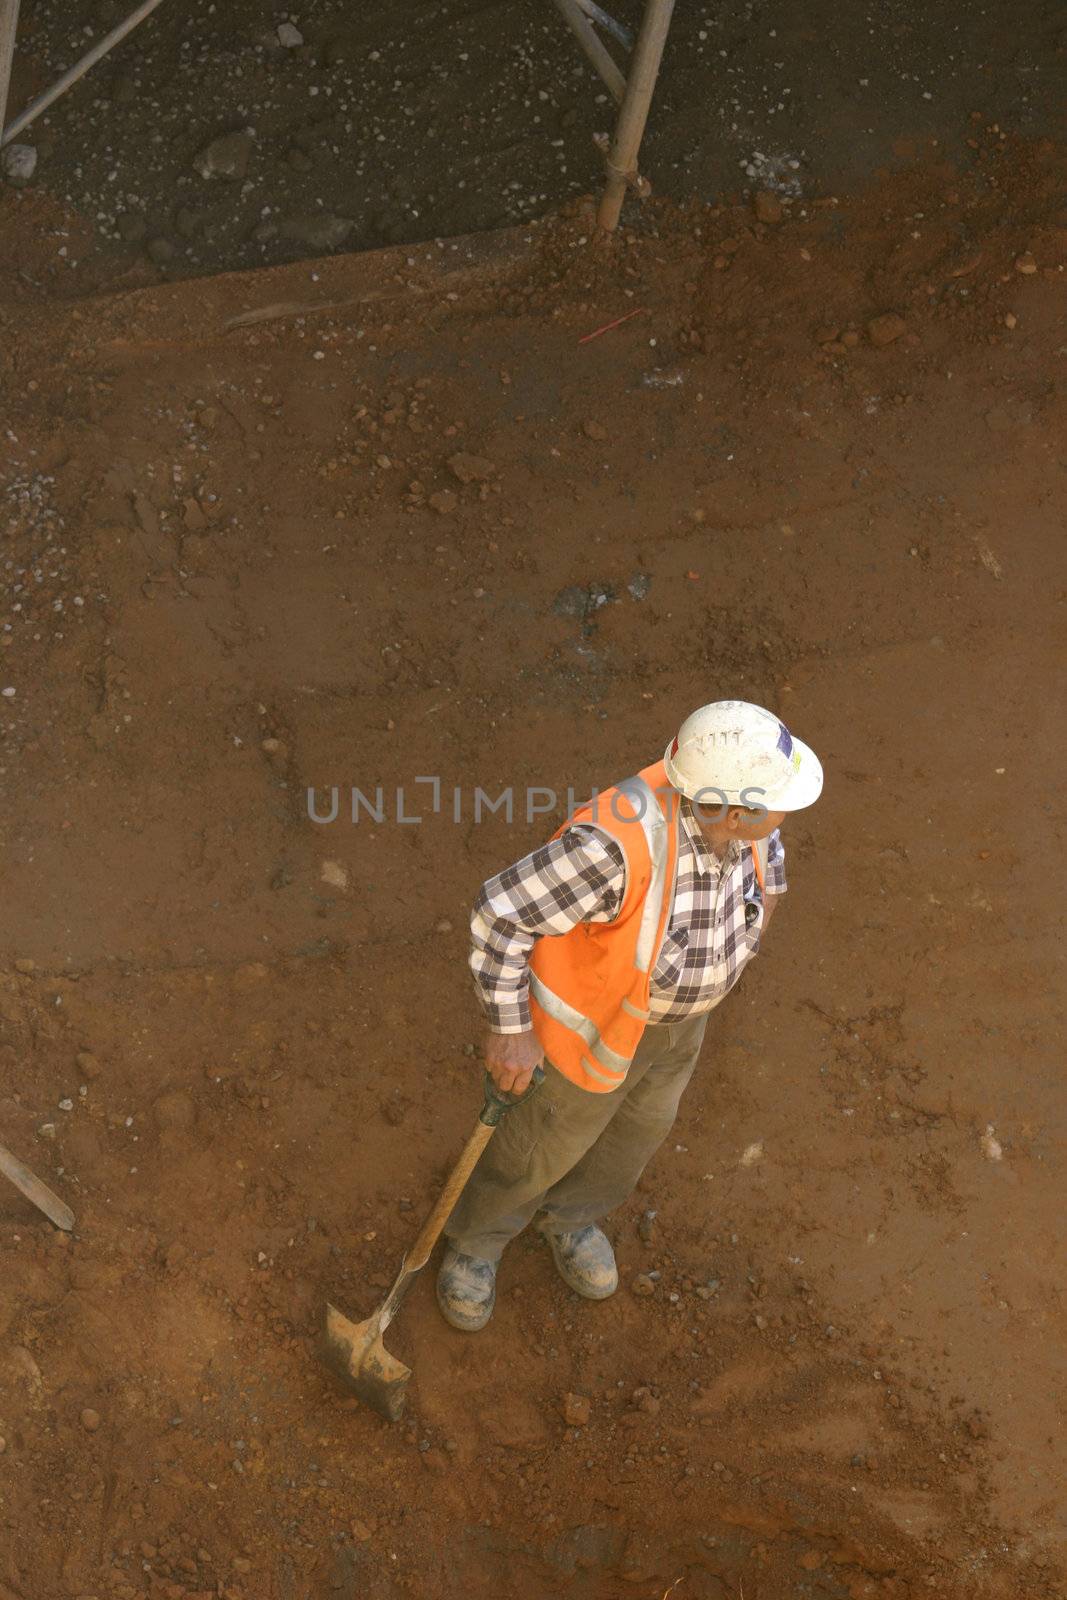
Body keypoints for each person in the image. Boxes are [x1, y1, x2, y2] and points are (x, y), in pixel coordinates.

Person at [437, 699, 823, 1330]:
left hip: (678, 1030)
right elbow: (500, 913)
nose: (784, 816)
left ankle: (571, 1220)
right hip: (589, 1036)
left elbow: (767, 875)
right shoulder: (615, 845)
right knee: (539, 1146)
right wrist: (510, 1030)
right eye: (775, 806)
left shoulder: (749, 815)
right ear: (727, 808)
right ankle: (477, 1244)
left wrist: (731, 956)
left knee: (632, 1137)